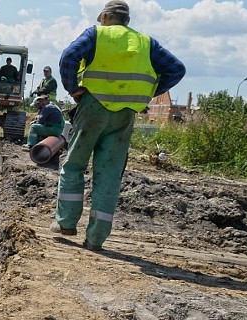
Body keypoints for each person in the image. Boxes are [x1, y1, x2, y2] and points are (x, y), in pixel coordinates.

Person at [54, 0, 185, 251]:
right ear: (126, 20)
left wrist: (73, 89)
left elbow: (69, 56)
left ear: (104, 17)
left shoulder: (96, 34)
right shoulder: (146, 43)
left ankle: (67, 223)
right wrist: (147, 93)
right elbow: (176, 69)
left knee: (74, 165)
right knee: (110, 176)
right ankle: (96, 239)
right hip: (125, 114)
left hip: (93, 106)